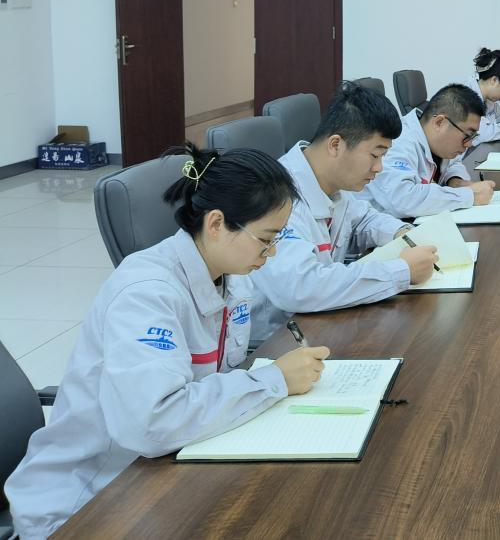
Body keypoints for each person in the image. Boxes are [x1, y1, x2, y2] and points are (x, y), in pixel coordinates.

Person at [4, 146, 330, 539]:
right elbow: (152, 422)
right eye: (265, 239)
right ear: (216, 223)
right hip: (84, 503)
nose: (272, 252)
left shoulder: (231, 275)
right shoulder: (146, 293)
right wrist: (273, 381)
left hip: (158, 470)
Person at [249, 81, 441, 344]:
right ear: (335, 145)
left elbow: (363, 219)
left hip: (320, 324)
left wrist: (401, 232)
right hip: (275, 342)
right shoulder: (278, 198)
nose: (379, 168)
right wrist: (401, 271)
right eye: (375, 155)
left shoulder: (330, 180)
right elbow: (301, 287)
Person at [366, 83, 496, 217]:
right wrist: (469, 195)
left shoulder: (437, 141)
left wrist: (456, 181)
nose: (469, 144)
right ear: (440, 122)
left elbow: (454, 162)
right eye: (467, 136)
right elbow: (402, 199)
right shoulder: (399, 142)